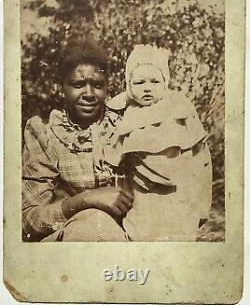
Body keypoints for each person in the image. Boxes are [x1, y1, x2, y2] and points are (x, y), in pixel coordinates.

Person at [22, 38, 133, 242]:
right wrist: (87, 199)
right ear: (60, 87)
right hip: (71, 241)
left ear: (107, 87)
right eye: (78, 84)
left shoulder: (126, 126)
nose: (89, 94)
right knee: (92, 227)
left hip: (126, 236)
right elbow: (29, 221)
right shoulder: (45, 132)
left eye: (97, 85)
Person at [104, 44, 212, 241]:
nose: (147, 88)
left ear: (165, 82)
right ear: (128, 85)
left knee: (178, 221)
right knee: (144, 222)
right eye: (139, 83)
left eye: (155, 81)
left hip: (178, 180)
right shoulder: (127, 113)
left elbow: (197, 151)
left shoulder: (179, 107)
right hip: (141, 186)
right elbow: (116, 152)